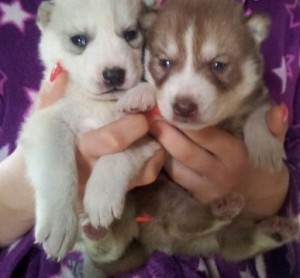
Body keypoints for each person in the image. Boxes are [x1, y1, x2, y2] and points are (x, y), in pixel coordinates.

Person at [0, 0, 299, 277]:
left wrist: (272, 193)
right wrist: (17, 199)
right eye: (80, 41)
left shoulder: (283, 12)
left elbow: (147, 135)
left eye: (131, 35)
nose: (112, 63)